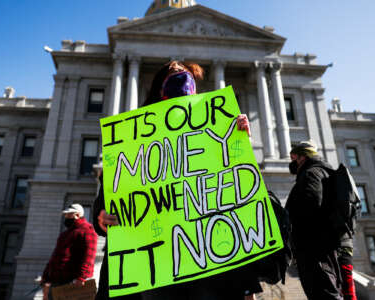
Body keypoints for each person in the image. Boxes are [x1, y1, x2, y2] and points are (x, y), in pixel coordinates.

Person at [93, 60, 254, 300]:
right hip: (147, 265)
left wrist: (239, 143)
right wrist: (101, 216)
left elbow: (233, 193)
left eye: (186, 75)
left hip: (200, 265)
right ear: (160, 90)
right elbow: (109, 196)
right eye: (173, 73)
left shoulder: (213, 131)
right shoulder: (132, 137)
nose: (180, 76)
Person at [285, 141, 343, 300]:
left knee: (323, 293)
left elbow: (310, 206)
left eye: (293, 157)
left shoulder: (311, 173)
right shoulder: (323, 171)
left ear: (302, 156)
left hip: (313, 248)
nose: (291, 162)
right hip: (322, 246)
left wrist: (289, 221)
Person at [41, 204, 98, 300]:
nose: (66, 217)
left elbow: (89, 256)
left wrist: (82, 277)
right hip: (57, 280)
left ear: (77, 215)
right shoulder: (65, 234)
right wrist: (45, 276)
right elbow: (55, 257)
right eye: (65, 214)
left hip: (73, 281)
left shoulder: (87, 230)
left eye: (68, 214)